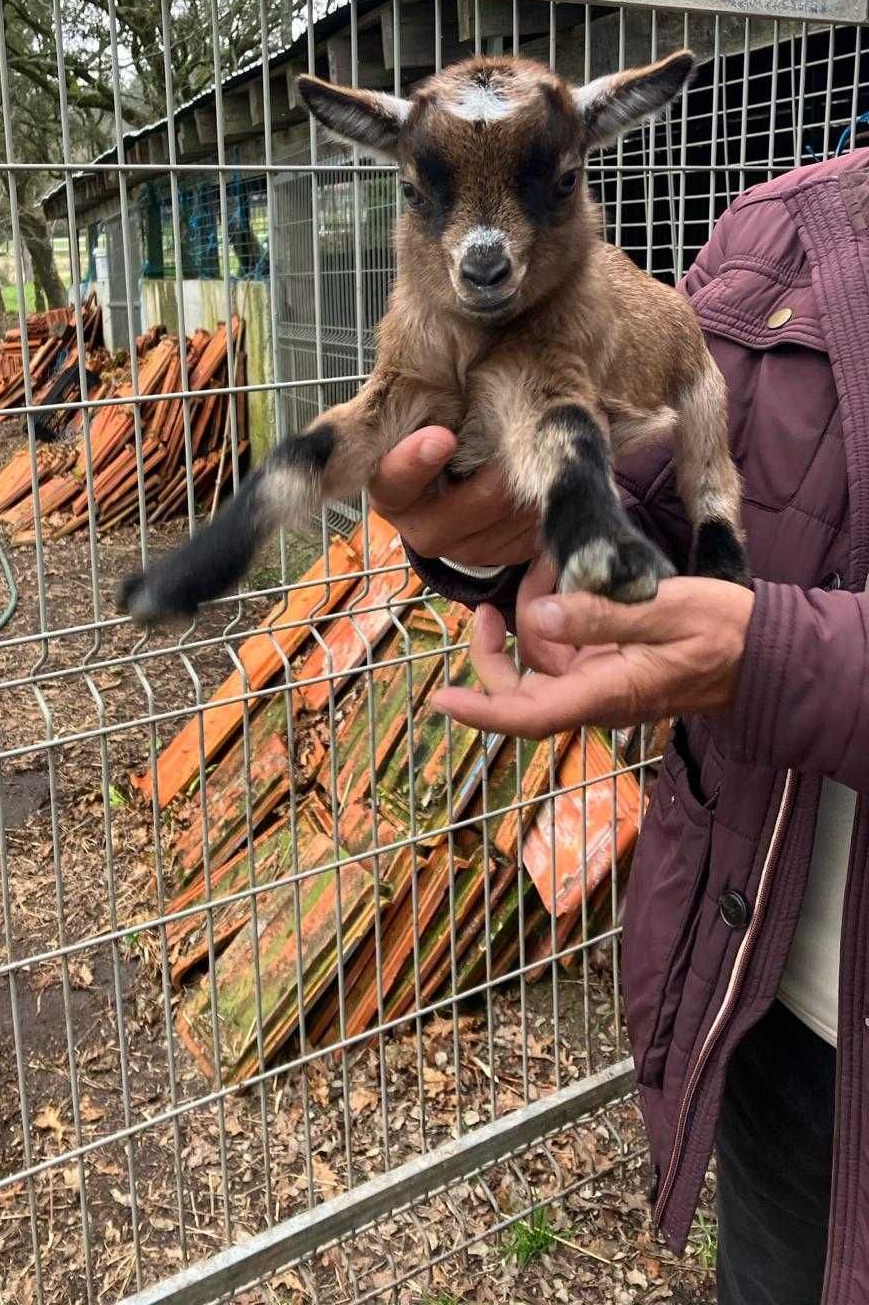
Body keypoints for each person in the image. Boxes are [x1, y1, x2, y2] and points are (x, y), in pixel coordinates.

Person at [366, 144, 869, 1305]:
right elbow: (656, 495)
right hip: (775, 1006)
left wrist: (771, 656)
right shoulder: (779, 233)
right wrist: (491, 543)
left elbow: (752, 630)